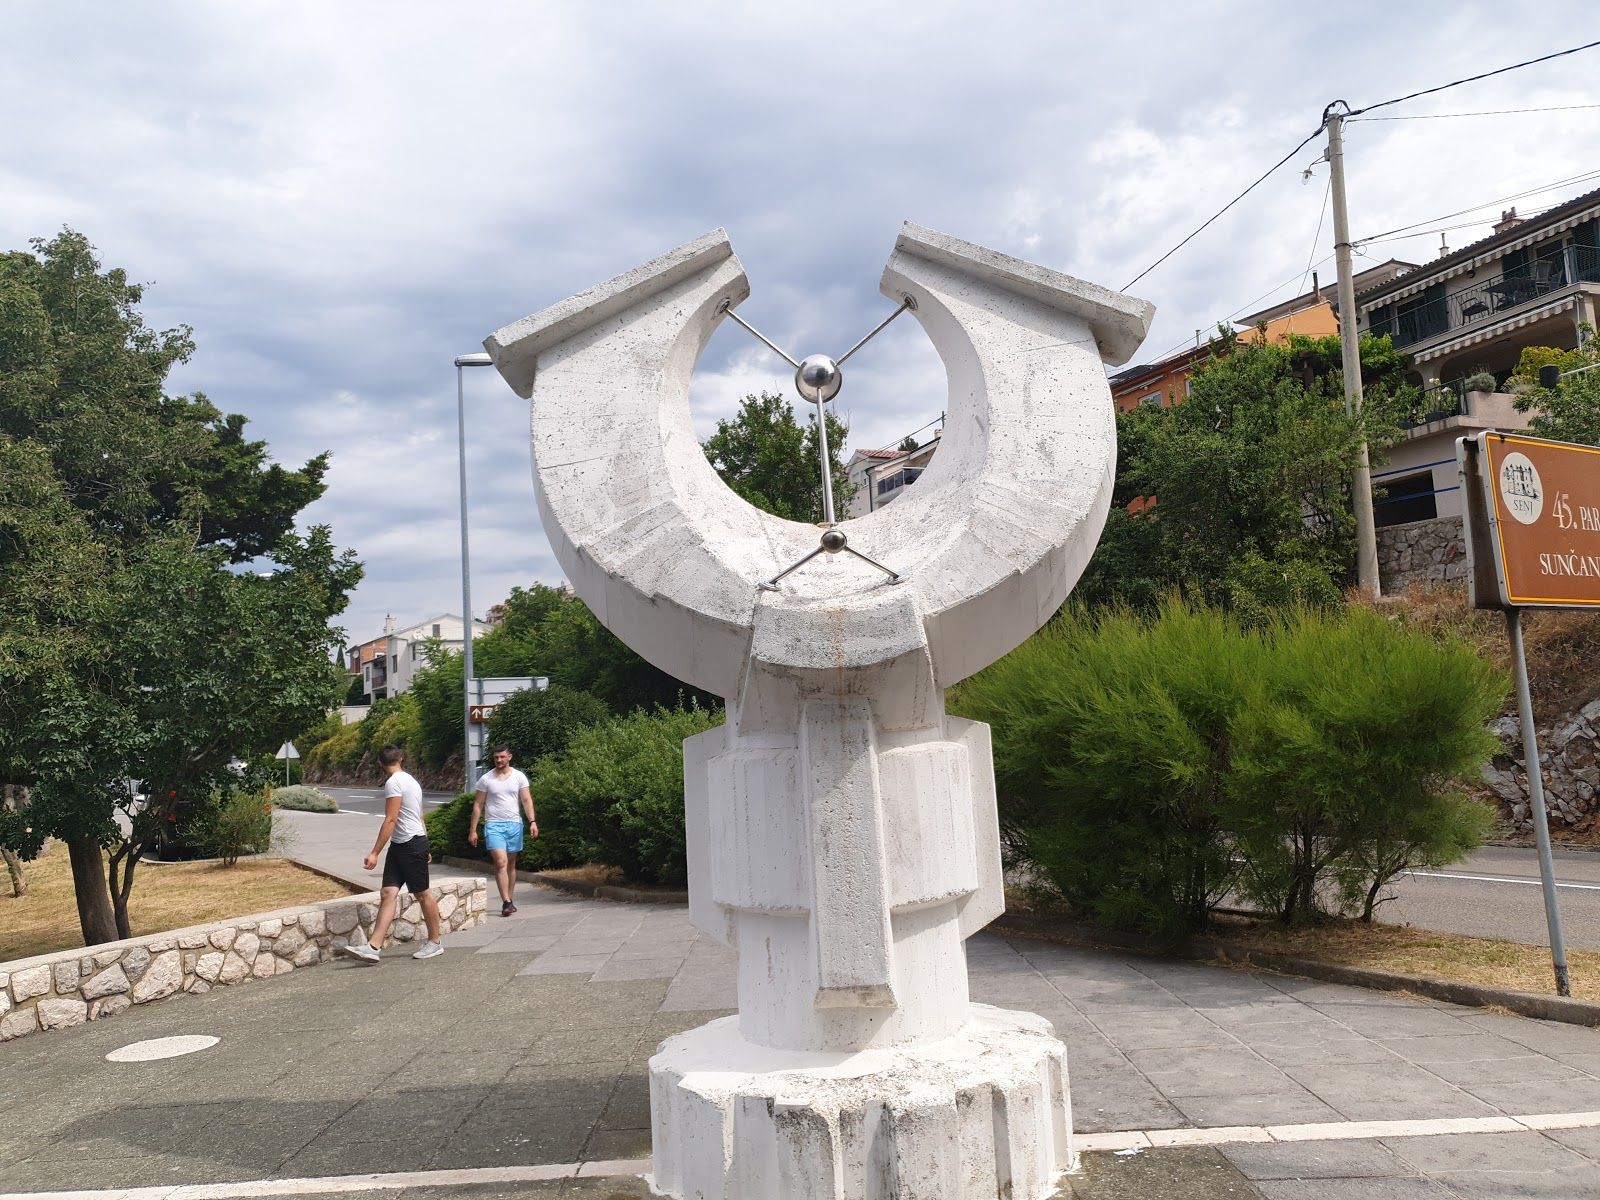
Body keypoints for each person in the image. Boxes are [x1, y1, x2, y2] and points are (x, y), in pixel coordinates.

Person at [340, 744, 443, 962]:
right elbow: (419, 815)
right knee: (388, 892)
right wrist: (426, 843)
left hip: (411, 844)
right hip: (402, 844)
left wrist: (375, 852)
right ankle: (373, 947)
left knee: (422, 893)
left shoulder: (394, 782)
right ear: (401, 759)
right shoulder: (411, 780)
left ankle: (435, 942)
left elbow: (391, 819)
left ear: (380, 763)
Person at [468, 744, 537, 916]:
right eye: (496, 757)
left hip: (514, 825)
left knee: (511, 864)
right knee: (500, 862)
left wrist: (532, 821)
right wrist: (473, 830)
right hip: (493, 825)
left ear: (509, 757)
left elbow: (526, 800)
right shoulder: (486, 779)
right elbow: (478, 805)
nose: (498, 760)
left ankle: (509, 899)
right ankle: (506, 902)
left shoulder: (519, 777)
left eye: (502, 757)